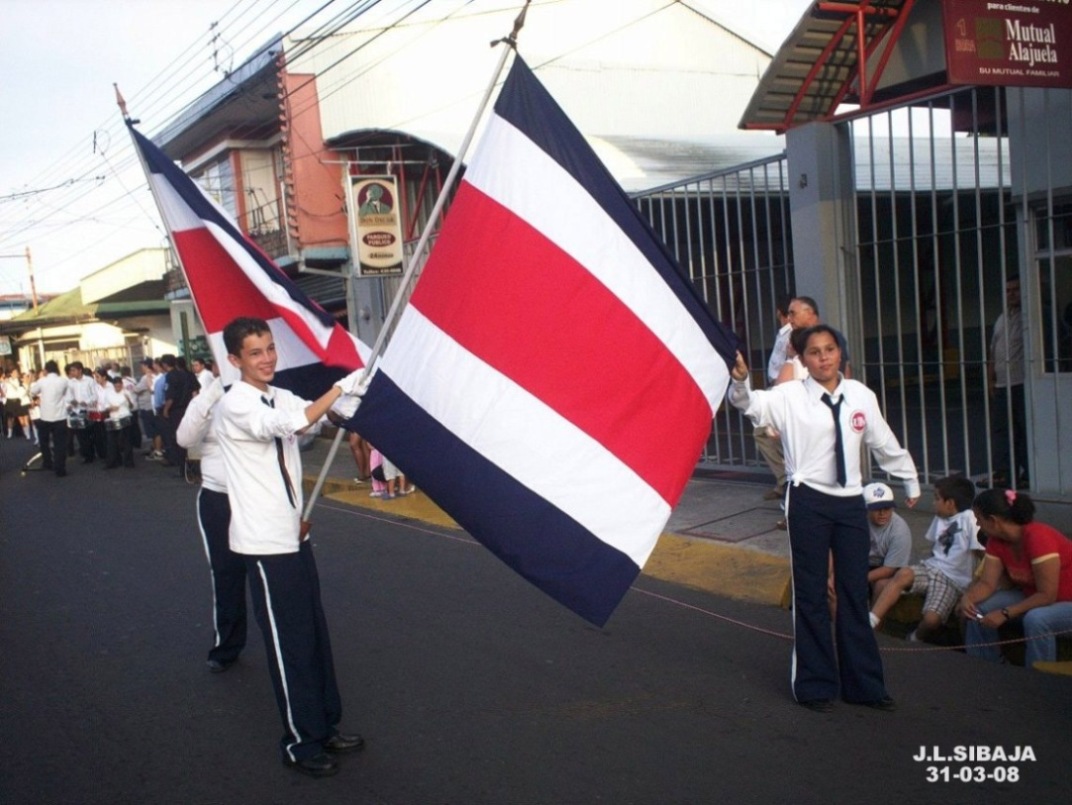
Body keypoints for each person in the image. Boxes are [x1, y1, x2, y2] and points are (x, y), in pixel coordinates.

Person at [729, 324, 920, 712]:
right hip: (808, 501)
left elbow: (882, 441)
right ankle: (815, 684)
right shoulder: (789, 397)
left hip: (851, 503)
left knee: (853, 592)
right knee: (812, 593)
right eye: (814, 352)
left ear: (840, 353)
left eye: (829, 349)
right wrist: (741, 381)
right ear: (803, 359)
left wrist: (910, 479)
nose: (823, 357)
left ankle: (864, 685)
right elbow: (749, 405)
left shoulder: (860, 395)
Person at [214, 316, 366, 777]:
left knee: (315, 636)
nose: (266, 360)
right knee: (289, 644)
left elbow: (315, 424)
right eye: (255, 353)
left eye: (269, 349)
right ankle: (300, 741)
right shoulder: (235, 404)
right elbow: (286, 423)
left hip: (294, 534)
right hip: (264, 543)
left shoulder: (279, 394)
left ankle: (325, 723)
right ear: (235, 359)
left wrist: (354, 396)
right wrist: (338, 389)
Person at [176, 376, 247, 673]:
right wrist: (211, 395)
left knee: (268, 576)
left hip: (259, 500)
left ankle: (282, 645)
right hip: (218, 499)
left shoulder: (266, 394)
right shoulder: (207, 397)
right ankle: (227, 646)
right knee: (227, 573)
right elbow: (184, 438)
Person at [958, 489, 1072, 669]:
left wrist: (1005, 613)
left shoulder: (1038, 537)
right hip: (1033, 596)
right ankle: (985, 666)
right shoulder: (996, 542)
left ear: (993, 520)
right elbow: (987, 583)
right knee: (978, 608)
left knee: (1036, 619)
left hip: (1063, 601)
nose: (977, 524)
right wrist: (968, 598)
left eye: (979, 518)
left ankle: (1039, 676)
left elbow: (1047, 595)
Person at [868, 475, 982, 642]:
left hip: (952, 580)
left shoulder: (969, 520)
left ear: (950, 503)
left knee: (931, 619)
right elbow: (935, 551)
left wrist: (972, 590)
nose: (933, 503)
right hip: (931, 568)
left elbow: (981, 555)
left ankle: (915, 638)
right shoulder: (940, 517)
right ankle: (872, 621)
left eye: (937, 499)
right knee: (904, 574)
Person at [988, 277, 1027, 488]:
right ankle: (1004, 473)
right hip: (1003, 384)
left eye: (1015, 290)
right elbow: (993, 351)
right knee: (1002, 431)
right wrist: (990, 379)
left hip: (1022, 383)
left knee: (1023, 429)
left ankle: (1028, 472)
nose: (1011, 294)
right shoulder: (1002, 319)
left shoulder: (1030, 317)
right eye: (1008, 290)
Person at [754, 297, 793, 501]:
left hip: (783, 391)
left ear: (779, 312)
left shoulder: (792, 335)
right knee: (764, 433)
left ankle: (787, 482)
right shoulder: (784, 333)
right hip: (777, 389)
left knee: (768, 434)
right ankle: (784, 481)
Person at [862, 481, 913, 601]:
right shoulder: (858, 521)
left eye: (887, 508)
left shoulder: (899, 530)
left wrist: (859, 578)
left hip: (888, 567)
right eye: (876, 509)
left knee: (880, 585)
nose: (882, 513)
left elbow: (889, 569)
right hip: (863, 564)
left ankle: (873, 618)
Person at [29, 360, 70, 477]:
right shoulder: (63, 381)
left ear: (46, 370)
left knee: (44, 441)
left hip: (45, 416)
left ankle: (48, 462)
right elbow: (65, 393)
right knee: (60, 443)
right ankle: (60, 468)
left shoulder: (42, 381)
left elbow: (32, 392)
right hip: (60, 415)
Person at [102, 373, 137, 469]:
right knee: (111, 442)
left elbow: (132, 406)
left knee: (127, 441)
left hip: (125, 416)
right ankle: (113, 461)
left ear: (122, 385)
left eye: (119, 386)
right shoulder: (109, 393)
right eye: (116, 386)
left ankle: (128, 462)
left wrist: (129, 400)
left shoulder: (127, 393)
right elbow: (104, 406)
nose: (118, 388)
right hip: (113, 417)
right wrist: (110, 408)